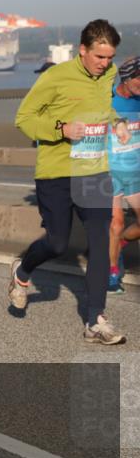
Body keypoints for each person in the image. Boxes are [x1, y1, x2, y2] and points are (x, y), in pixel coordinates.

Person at [9, 19, 124, 344]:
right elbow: (24, 119)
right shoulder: (55, 77)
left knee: (100, 241)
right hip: (57, 172)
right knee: (58, 244)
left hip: (94, 171)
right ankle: (22, 271)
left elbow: (103, 109)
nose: (105, 64)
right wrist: (61, 129)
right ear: (82, 50)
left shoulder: (110, 74)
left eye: (110, 58)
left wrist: (118, 122)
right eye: (99, 57)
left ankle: (95, 320)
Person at [107, 55, 140, 295]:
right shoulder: (107, 99)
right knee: (116, 222)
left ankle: (118, 243)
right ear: (126, 78)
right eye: (139, 78)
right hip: (109, 171)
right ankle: (112, 272)